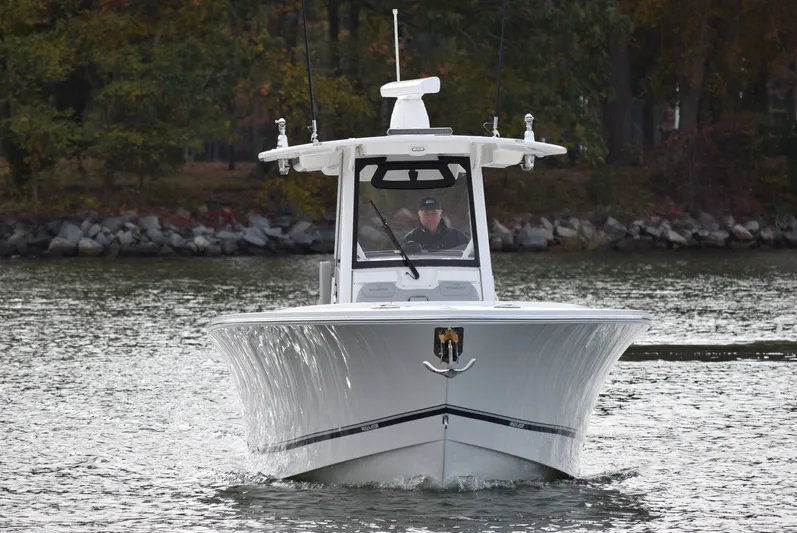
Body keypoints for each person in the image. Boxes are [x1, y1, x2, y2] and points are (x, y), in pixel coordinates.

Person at [403, 196, 469, 250]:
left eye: (434, 213)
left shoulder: (456, 236)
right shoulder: (411, 238)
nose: (430, 217)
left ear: (440, 215)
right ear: (419, 216)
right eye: (426, 213)